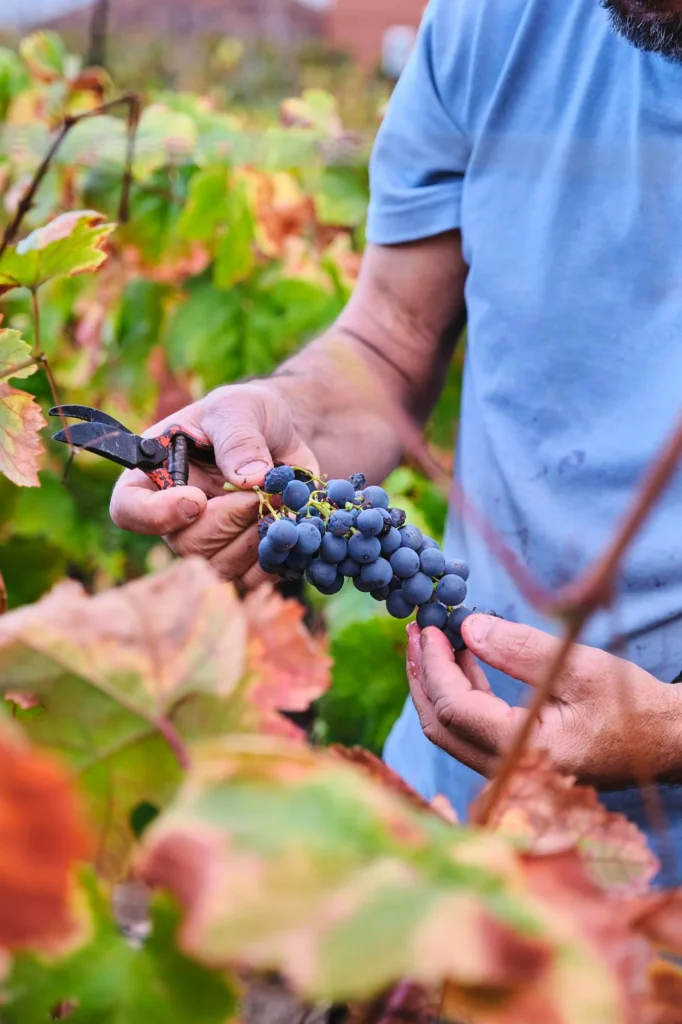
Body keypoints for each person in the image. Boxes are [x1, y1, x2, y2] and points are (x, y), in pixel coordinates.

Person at [111, 0, 682, 877]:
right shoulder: (491, 21)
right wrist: (278, 420)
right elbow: (390, 338)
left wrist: (672, 736)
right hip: (454, 834)